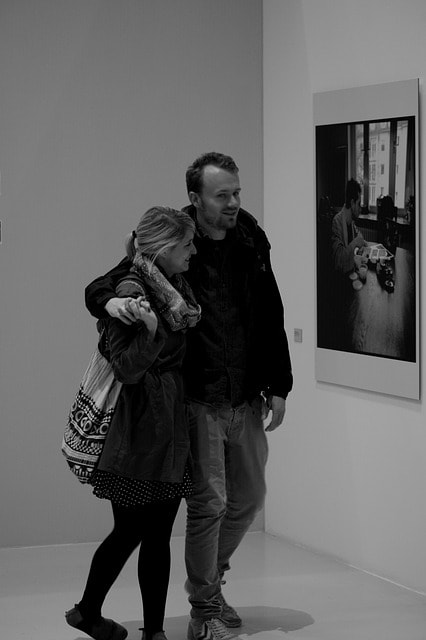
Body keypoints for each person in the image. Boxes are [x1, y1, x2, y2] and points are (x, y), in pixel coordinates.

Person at [84, 152, 293, 640]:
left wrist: (279, 384)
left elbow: (271, 312)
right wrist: (110, 301)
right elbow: (104, 284)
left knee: (250, 497)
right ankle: (203, 609)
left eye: (237, 192)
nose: (234, 203)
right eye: (223, 196)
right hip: (197, 397)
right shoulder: (175, 242)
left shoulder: (251, 239)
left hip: (246, 393)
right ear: (196, 198)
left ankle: (209, 583)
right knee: (210, 503)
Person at [66, 206, 200, 640]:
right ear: (162, 249)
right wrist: (150, 329)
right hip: (137, 430)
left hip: (167, 428)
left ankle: (151, 631)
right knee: (133, 530)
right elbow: (126, 368)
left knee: (155, 532)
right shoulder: (132, 291)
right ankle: (90, 613)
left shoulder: (174, 287)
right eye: (186, 245)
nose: (193, 252)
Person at [331, 178, 367, 275]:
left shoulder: (351, 223)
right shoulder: (337, 222)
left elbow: (359, 235)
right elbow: (338, 261)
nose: (360, 209)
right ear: (352, 203)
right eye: (359, 204)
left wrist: (361, 243)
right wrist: (355, 242)